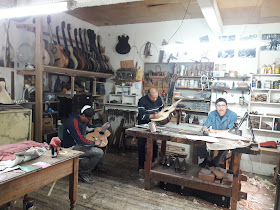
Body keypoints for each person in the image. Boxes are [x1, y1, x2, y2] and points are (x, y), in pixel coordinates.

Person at [63, 105, 110, 183]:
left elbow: (89, 128)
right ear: (83, 115)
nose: (89, 121)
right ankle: (83, 173)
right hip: (71, 147)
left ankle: (97, 167)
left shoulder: (83, 120)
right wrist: (94, 143)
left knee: (101, 146)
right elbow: (80, 140)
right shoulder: (73, 122)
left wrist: (101, 127)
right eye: (89, 119)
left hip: (79, 144)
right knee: (99, 152)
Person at [199, 98, 237, 167]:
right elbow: (205, 126)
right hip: (213, 137)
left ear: (227, 106)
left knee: (224, 150)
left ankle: (215, 162)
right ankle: (207, 158)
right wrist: (205, 129)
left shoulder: (233, 115)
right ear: (216, 107)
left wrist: (214, 131)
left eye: (223, 106)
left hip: (226, 138)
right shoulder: (212, 114)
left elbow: (231, 131)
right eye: (219, 106)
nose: (221, 108)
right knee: (199, 142)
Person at [137, 88, 164, 170]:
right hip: (143, 125)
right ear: (148, 95)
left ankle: (152, 164)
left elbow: (161, 109)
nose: (155, 99)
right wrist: (154, 116)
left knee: (154, 145)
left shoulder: (158, 99)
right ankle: (141, 166)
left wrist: (163, 114)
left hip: (153, 125)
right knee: (141, 145)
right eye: (153, 97)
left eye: (156, 97)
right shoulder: (142, 101)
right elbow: (142, 116)